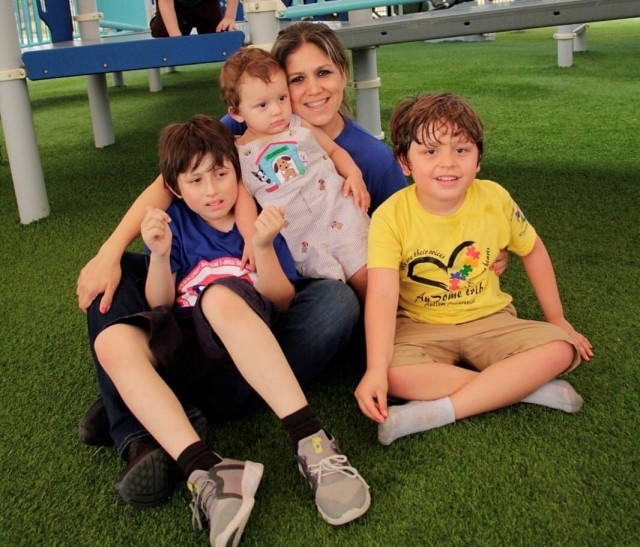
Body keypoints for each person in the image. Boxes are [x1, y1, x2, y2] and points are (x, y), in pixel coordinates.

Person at [76, 22, 408, 507]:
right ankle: (141, 435)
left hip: (290, 291)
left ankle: (147, 402)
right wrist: (108, 252)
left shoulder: (367, 155)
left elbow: (408, 232)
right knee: (122, 279)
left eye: (324, 73)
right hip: (220, 291)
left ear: (343, 74)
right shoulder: (247, 124)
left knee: (334, 305)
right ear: (272, 85)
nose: (310, 90)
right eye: (296, 80)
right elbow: (173, 180)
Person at [95, 115, 370, 545]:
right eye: (196, 180)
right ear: (175, 189)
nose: (212, 190)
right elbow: (160, 305)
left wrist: (261, 247)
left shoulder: (256, 222)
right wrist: (161, 256)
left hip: (244, 332)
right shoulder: (177, 227)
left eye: (221, 175)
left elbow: (281, 301)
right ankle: (208, 472)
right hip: (187, 342)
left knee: (224, 296)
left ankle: (313, 445)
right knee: (112, 339)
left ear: (236, 173)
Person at [355, 92, 593, 445]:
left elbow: (534, 250)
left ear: (479, 159)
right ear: (405, 162)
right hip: (421, 326)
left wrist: (556, 318)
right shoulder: (390, 215)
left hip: (491, 319)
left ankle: (439, 411)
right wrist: (375, 369)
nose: (448, 163)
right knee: (394, 376)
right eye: (430, 151)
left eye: (462, 150)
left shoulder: (495, 197)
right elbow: (383, 292)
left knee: (561, 348)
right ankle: (526, 389)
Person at [220, 47, 371, 303]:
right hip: (301, 236)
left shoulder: (299, 124)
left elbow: (334, 151)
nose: (277, 111)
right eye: (262, 105)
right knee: (334, 293)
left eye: (282, 98)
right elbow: (243, 199)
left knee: (367, 277)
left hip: (338, 211)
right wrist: (250, 238)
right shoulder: (238, 152)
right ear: (236, 112)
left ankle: (392, 325)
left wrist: (354, 175)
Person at [150, 0, 238, 37]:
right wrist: (175, 35)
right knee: (164, 33)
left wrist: (229, 17)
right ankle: (158, 16)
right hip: (176, 4)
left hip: (204, 2)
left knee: (219, 32)